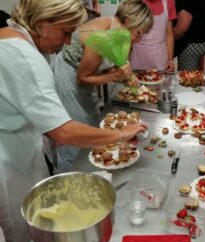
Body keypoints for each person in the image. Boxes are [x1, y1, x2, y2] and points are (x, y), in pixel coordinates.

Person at [0, 0, 147, 242]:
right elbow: (65, 132)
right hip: (8, 158)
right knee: (24, 235)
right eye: (66, 33)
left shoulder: (14, 38)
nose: (68, 42)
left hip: (18, 139)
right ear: (43, 24)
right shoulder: (23, 56)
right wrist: (120, 133)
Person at [52, 0, 153, 172]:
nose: (139, 38)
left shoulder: (120, 32)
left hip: (84, 75)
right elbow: (82, 79)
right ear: (128, 21)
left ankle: (89, 164)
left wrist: (126, 78)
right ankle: (71, 171)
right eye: (139, 33)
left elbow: (113, 64)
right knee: (77, 130)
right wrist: (115, 76)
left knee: (91, 122)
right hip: (69, 78)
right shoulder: (100, 37)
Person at [130, 0, 177, 72]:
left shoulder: (169, 2)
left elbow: (169, 32)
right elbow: (128, 31)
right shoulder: (134, 2)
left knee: (161, 81)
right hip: (138, 57)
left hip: (159, 58)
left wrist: (170, 60)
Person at [173, 0, 205, 71]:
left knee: (187, 77)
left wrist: (165, 40)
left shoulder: (187, 2)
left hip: (192, 42)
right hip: (203, 36)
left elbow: (181, 29)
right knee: (195, 73)